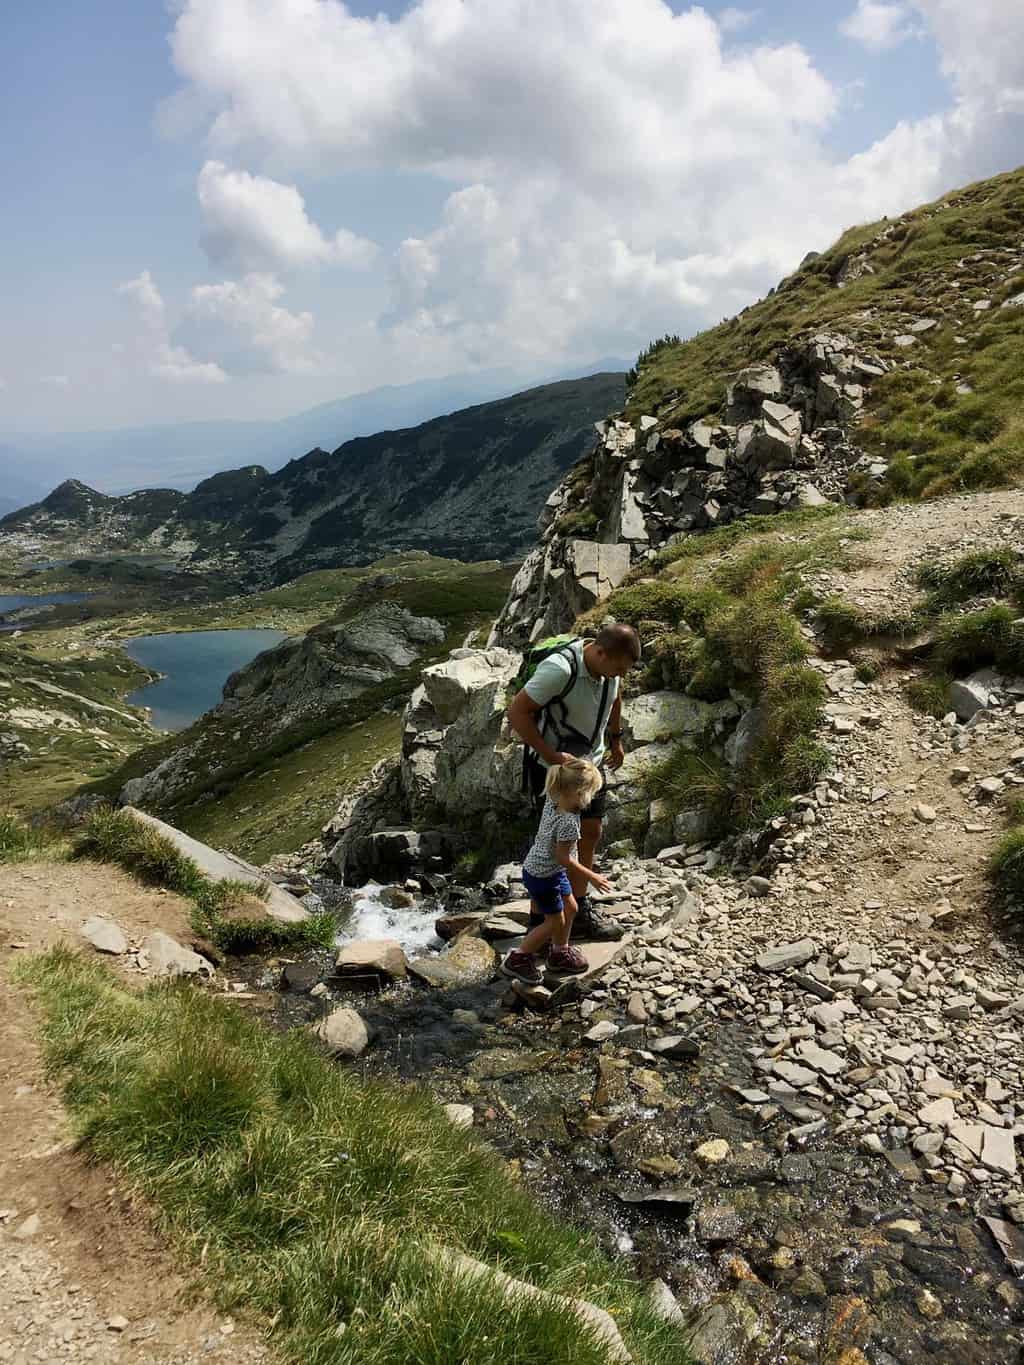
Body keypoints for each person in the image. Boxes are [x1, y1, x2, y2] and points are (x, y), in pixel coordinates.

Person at [508, 622, 641, 941]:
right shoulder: (559, 669)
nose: (619, 675)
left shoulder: (611, 671)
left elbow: (615, 696)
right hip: (557, 770)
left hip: (589, 764)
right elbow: (518, 712)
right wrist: (551, 755)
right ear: (599, 652)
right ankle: (539, 923)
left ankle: (579, 912)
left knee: (591, 830)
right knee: (556, 843)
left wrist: (616, 738)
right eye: (618, 667)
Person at [500, 758, 612, 985]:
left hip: (544, 868)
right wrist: (592, 877)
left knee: (571, 907)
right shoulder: (570, 822)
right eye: (592, 792)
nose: (592, 798)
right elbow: (564, 858)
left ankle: (559, 952)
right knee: (554, 922)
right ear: (581, 793)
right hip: (545, 875)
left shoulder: (553, 798)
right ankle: (518, 958)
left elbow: (560, 859)